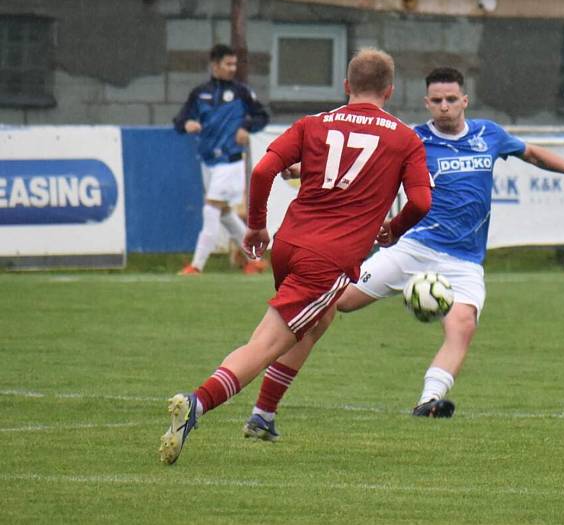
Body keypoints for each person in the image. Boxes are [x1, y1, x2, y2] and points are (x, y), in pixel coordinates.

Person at [241, 66, 564, 440]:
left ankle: (429, 401)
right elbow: (358, 163)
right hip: (410, 247)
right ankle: (264, 392)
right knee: (329, 303)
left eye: (451, 99)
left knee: (462, 326)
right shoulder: (412, 139)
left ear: (465, 100)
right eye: (437, 100)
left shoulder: (488, 135)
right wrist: (302, 167)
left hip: (463, 261)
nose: (444, 106)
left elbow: (532, 154)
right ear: (426, 102)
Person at [159, 48, 433, 465]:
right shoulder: (404, 138)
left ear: (346, 86)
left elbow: (263, 171)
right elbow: (420, 201)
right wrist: (392, 231)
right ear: (390, 91)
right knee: (268, 342)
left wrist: (255, 225)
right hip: (329, 257)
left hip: (290, 244)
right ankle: (197, 403)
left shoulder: (313, 124)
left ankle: (264, 415)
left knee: (319, 319)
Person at [173, 43, 270, 276]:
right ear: (214, 65)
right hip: (207, 161)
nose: (232, 68)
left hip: (230, 160)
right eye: (228, 64)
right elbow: (179, 120)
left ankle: (196, 265)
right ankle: (253, 259)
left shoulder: (241, 92)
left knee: (211, 208)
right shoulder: (199, 94)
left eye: (234, 64)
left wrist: (247, 127)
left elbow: (262, 115)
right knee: (225, 213)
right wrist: (187, 124)